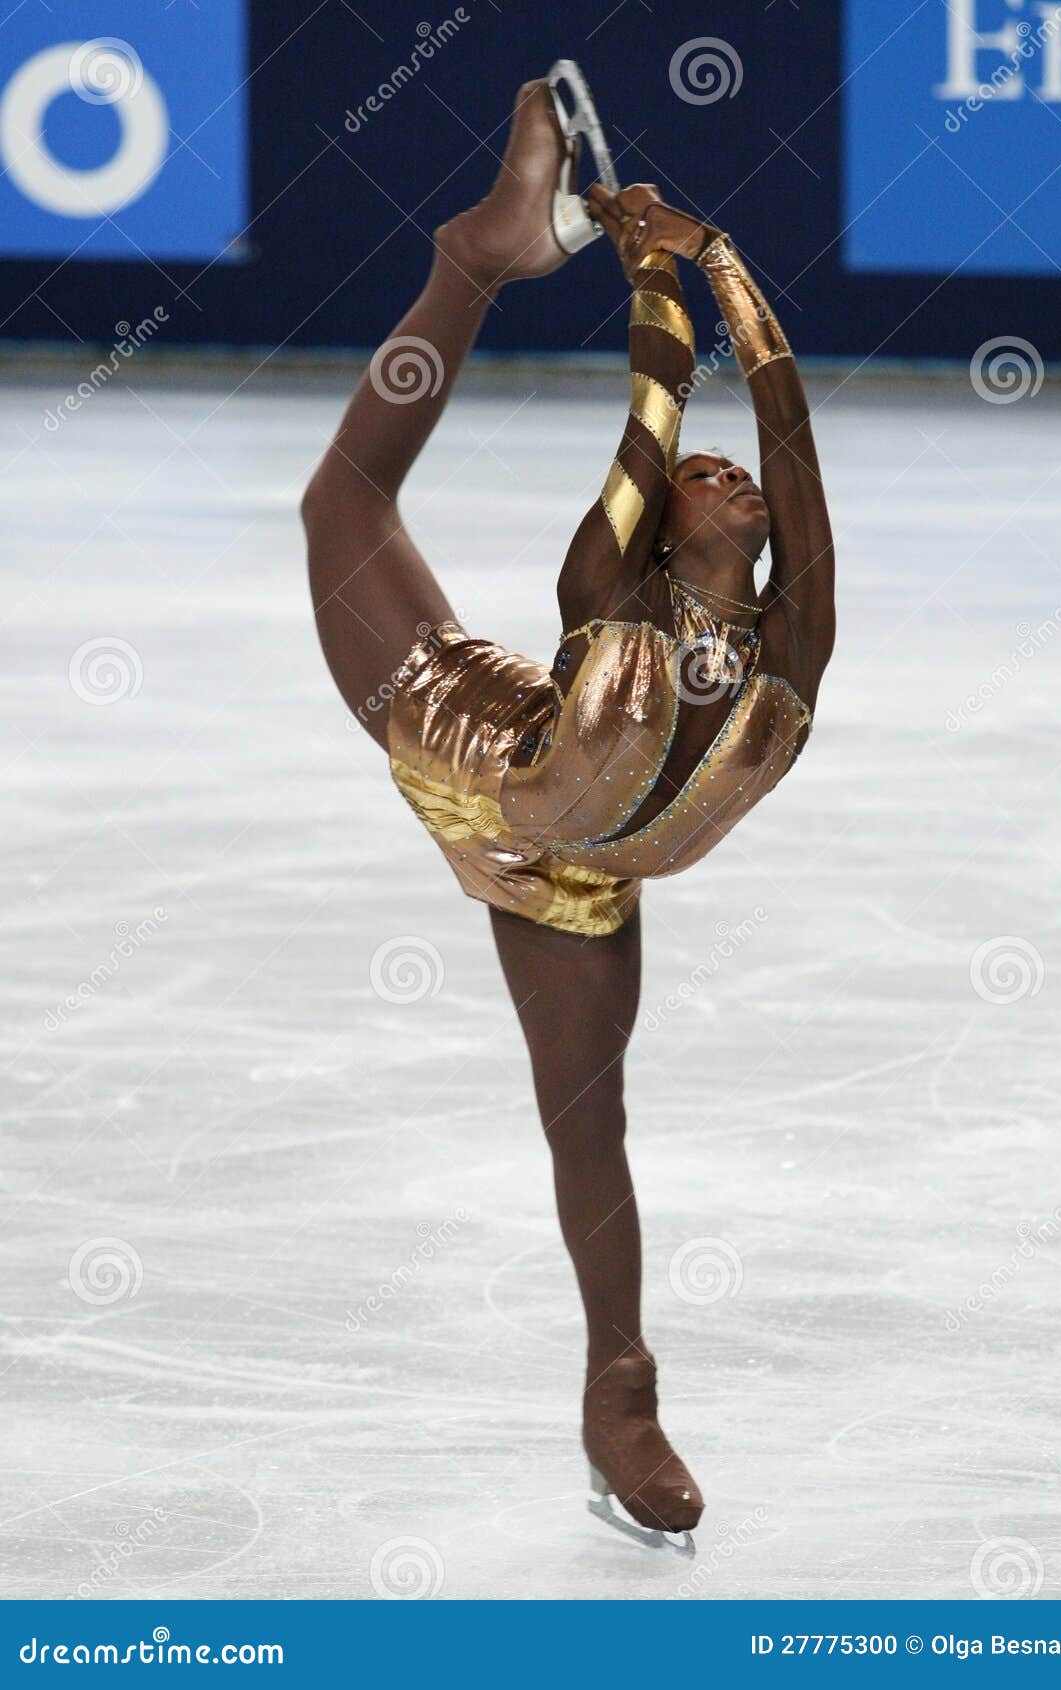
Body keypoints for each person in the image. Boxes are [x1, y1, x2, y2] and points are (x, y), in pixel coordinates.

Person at [302, 75, 835, 1541]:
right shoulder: (609, 595)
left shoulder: (795, 640)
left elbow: (785, 433)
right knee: (344, 504)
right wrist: (652, 269)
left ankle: (620, 1392)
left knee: (585, 1119)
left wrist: (717, 259)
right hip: (462, 734)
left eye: (737, 480)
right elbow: (655, 418)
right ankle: (472, 260)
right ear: (662, 534)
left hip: (575, 870)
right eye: (701, 480)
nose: (729, 476)